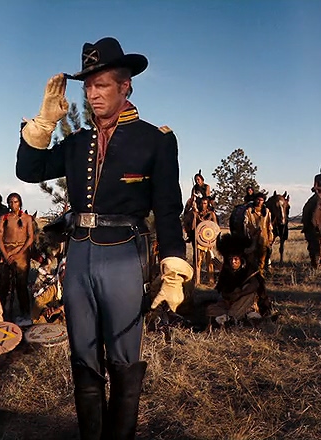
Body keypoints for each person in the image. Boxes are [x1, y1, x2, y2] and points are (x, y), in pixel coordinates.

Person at [15, 36, 192, 440]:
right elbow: (29, 170)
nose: (93, 94)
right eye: (87, 87)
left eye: (102, 85)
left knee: (124, 360)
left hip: (124, 257)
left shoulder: (155, 140)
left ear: (125, 85)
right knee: (83, 358)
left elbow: (167, 207)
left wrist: (173, 269)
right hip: (77, 258)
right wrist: (43, 122)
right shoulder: (78, 142)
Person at [206, 234, 268, 326]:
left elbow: (254, 285)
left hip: (246, 304)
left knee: (248, 292)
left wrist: (239, 294)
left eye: (236, 259)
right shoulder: (226, 271)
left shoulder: (249, 270)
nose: (233, 262)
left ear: (242, 259)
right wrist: (229, 297)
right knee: (210, 309)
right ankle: (236, 318)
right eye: (230, 259)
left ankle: (231, 318)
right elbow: (223, 291)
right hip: (230, 305)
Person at [0, 193, 36, 325]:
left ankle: (25, 314)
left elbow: (30, 237)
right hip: (6, 252)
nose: (12, 204)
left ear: (20, 203)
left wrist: (19, 254)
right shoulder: (4, 218)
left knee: (21, 285)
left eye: (15, 202)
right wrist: (5, 254)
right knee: (3, 285)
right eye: (10, 202)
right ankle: (0, 313)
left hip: (21, 253)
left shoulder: (27, 218)